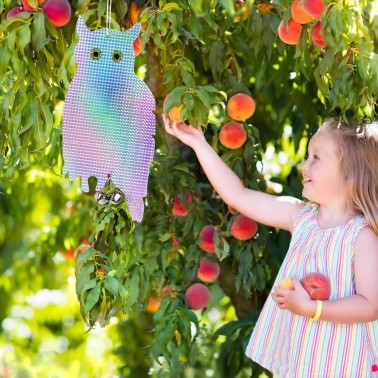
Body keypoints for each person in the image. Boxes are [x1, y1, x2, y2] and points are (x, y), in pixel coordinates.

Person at [162, 114, 378, 377]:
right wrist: (199, 143)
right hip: (302, 362)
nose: (304, 166)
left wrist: (312, 308)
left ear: (350, 172)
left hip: (345, 365)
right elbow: (237, 196)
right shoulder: (300, 218)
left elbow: (370, 305)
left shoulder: (361, 236)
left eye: (316, 158)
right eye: (308, 156)